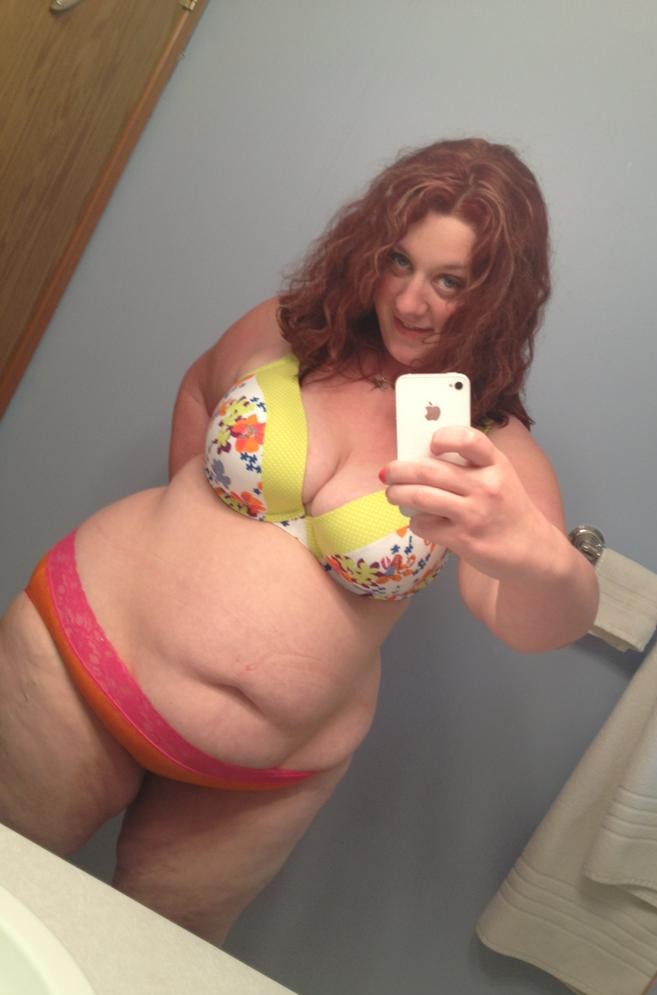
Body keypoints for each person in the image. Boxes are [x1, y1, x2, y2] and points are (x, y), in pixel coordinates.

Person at [0, 138, 597, 945]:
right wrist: (191, 533)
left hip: (260, 781)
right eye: (400, 261)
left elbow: (538, 623)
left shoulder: (495, 457)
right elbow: (199, 386)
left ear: (500, 296)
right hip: (77, 667)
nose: (410, 302)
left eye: (450, 282)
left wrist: (543, 560)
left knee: (141, 972)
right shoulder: (291, 331)